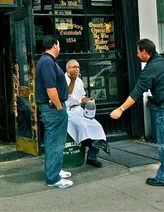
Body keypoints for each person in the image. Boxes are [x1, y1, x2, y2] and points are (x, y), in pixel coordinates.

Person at [110, 38, 164, 187]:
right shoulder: (163, 59)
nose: (136, 55)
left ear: (145, 52)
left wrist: (120, 109)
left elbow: (136, 93)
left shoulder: (150, 69)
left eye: (138, 52)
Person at [35, 36, 73, 188]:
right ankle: (53, 179)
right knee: (54, 142)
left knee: (56, 141)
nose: (60, 48)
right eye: (58, 44)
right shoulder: (47, 62)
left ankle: (55, 170)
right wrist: (59, 108)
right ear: (53, 45)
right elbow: (51, 90)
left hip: (52, 107)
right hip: (53, 108)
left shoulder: (47, 61)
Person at [65, 59, 109, 168]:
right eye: (74, 67)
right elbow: (67, 93)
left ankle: (92, 157)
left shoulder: (79, 81)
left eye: (78, 67)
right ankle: (88, 144)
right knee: (83, 127)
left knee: (96, 126)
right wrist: (73, 80)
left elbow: (81, 98)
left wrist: (89, 101)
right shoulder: (63, 79)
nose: (76, 69)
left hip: (79, 110)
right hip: (68, 111)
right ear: (67, 69)